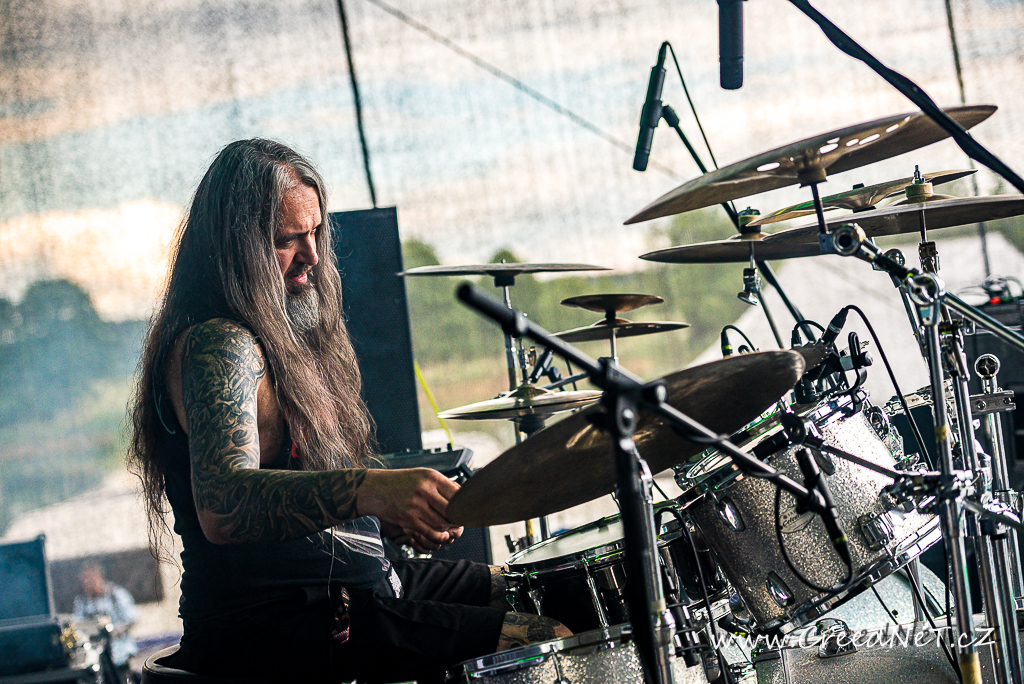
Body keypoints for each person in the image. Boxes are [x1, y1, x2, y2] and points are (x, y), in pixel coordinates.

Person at [127, 139, 569, 684]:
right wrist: (370, 490)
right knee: (546, 640)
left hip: (357, 591)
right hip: (280, 627)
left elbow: (300, 491)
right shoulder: (219, 343)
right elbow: (223, 504)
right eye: (287, 240)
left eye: (315, 232)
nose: (312, 255)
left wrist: (382, 515)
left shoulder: (282, 337)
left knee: (542, 588)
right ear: (236, 249)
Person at [72, 562, 138, 681]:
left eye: (91, 578)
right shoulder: (81, 602)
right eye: (85, 580)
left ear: (99, 576)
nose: (88, 583)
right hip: (97, 660)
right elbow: (78, 624)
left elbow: (132, 618)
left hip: (120, 656)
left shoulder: (116, 595)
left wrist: (114, 630)